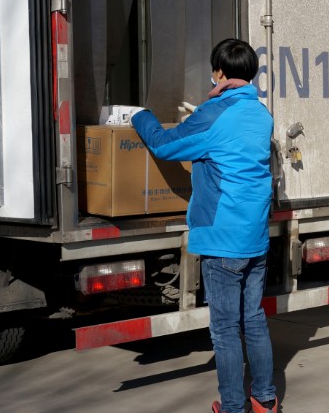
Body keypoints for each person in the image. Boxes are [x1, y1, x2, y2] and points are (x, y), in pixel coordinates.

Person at [130, 39, 278, 413]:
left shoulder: (213, 113)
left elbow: (164, 145)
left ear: (219, 73)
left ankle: (232, 407)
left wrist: (139, 115)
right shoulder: (262, 114)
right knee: (254, 321)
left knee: (226, 329)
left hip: (221, 237)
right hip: (254, 236)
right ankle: (265, 401)